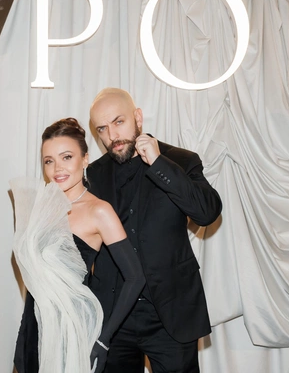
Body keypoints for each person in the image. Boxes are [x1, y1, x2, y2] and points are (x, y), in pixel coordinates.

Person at [87, 88, 222, 373]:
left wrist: (160, 164)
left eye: (119, 122)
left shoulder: (181, 160)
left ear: (138, 117)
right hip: (114, 317)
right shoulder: (95, 174)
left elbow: (207, 212)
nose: (112, 135)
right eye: (102, 129)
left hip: (171, 314)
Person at [12, 118, 145, 373]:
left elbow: (135, 277)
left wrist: (104, 340)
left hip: (72, 332)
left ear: (85, 159)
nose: (57, 168)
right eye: (49, 161)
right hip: (34, 327)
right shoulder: (41, 207)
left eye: (66, 157)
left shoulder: (99, 211)